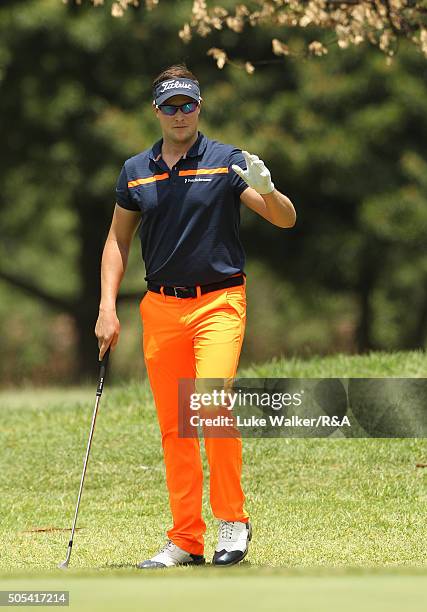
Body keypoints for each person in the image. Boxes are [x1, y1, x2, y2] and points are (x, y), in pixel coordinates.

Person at [95, 64, 296, 569]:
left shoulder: (227, 160)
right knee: (175, 426)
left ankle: (233, 520)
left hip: (219, 302)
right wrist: (106, 308)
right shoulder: (135, 170)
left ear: (199, 106)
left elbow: (284, 218)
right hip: (161, 307)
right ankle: (186, 538)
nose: (180, 114)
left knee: (208, 405)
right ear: (156, 111)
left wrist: (268, 190)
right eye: (170, 106)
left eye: (188, 104)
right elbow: (118, 240)